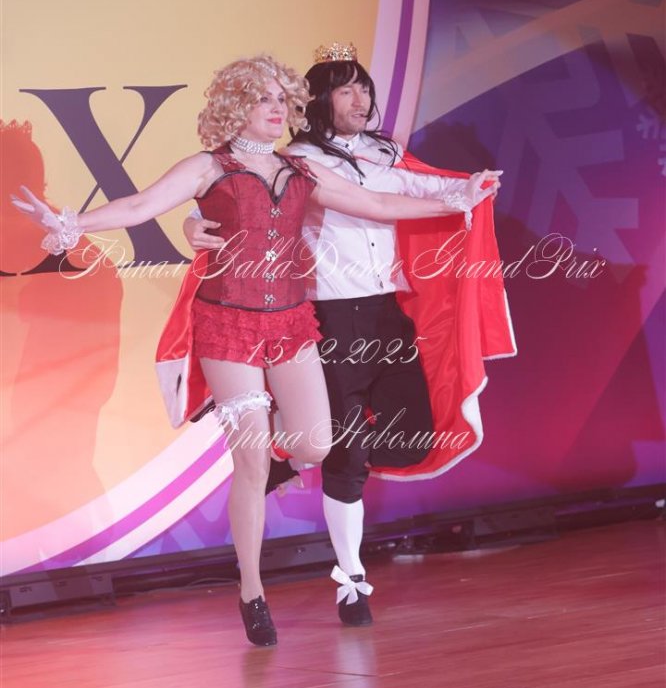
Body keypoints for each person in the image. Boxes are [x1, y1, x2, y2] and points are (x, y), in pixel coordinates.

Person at [12, 53, 500, 647]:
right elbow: (140, 206)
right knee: (250, 464)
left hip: (290, 322)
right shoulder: (208, 167)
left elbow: (375, 204)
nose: (277, 108)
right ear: (235, 106)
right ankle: (252, 590)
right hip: (228, 326)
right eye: (263, 99)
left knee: (317, 444)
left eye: (281, 99)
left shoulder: (299, 167)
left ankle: (268, 449)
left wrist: (458, 200)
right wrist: (72, 223)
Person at [183, 45, 507, 630]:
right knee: (347, 456)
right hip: (331, 316)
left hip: (385, 311)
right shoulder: (298, 161)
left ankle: (292, 459)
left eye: (365, 88)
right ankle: (352, 580)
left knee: (410, 436)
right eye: (345, 89)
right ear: (319, 102)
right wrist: (193, 221)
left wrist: (464, 191)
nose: (361, 99)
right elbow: (239, 203)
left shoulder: (384, 153)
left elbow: (396, 190)